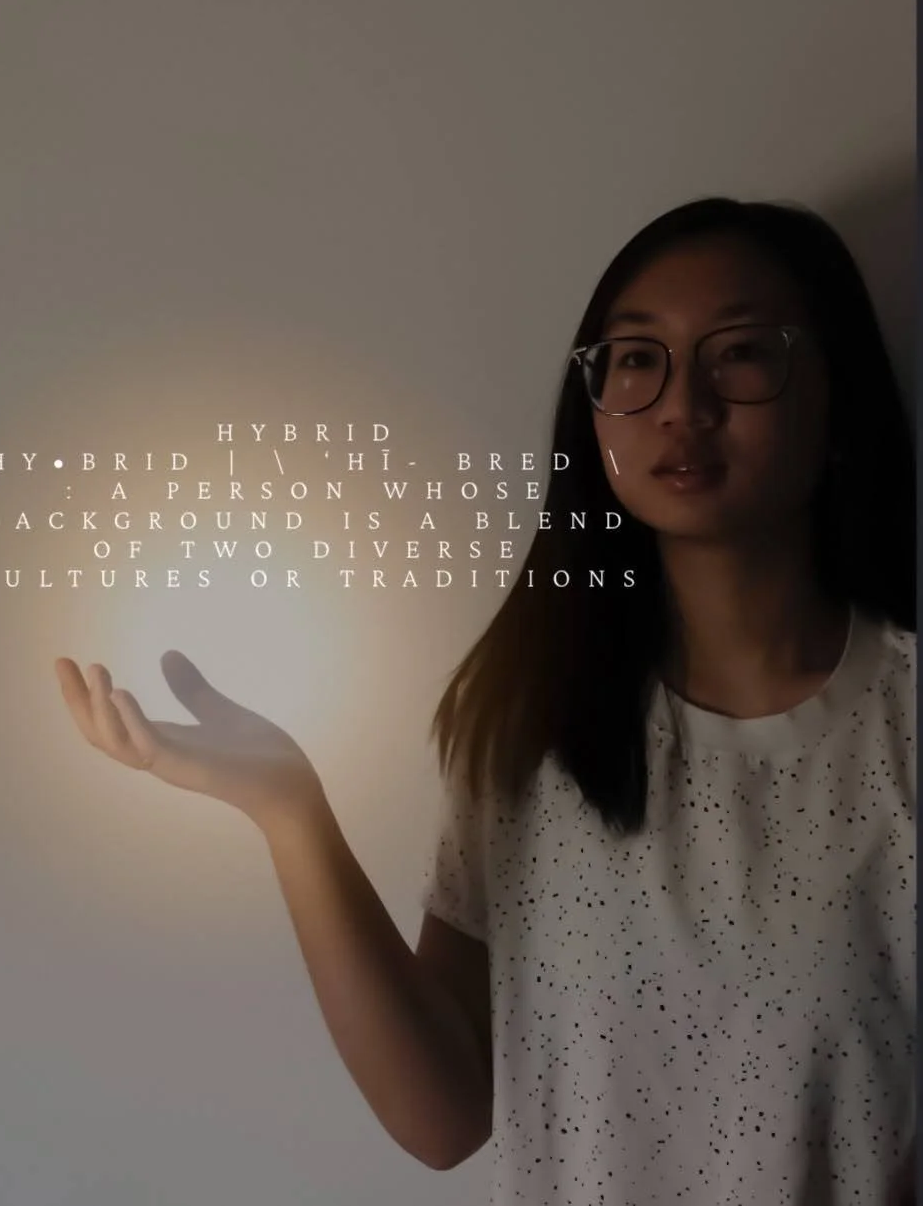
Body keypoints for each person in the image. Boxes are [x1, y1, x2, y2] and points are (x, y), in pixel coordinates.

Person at [55, 195, 916, 1205]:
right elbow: (443, 1116)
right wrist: (288, 808)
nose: (683, 403)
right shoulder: (532, 718)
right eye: (636, 358)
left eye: (740, 352)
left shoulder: (897, 725)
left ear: (833, 390)